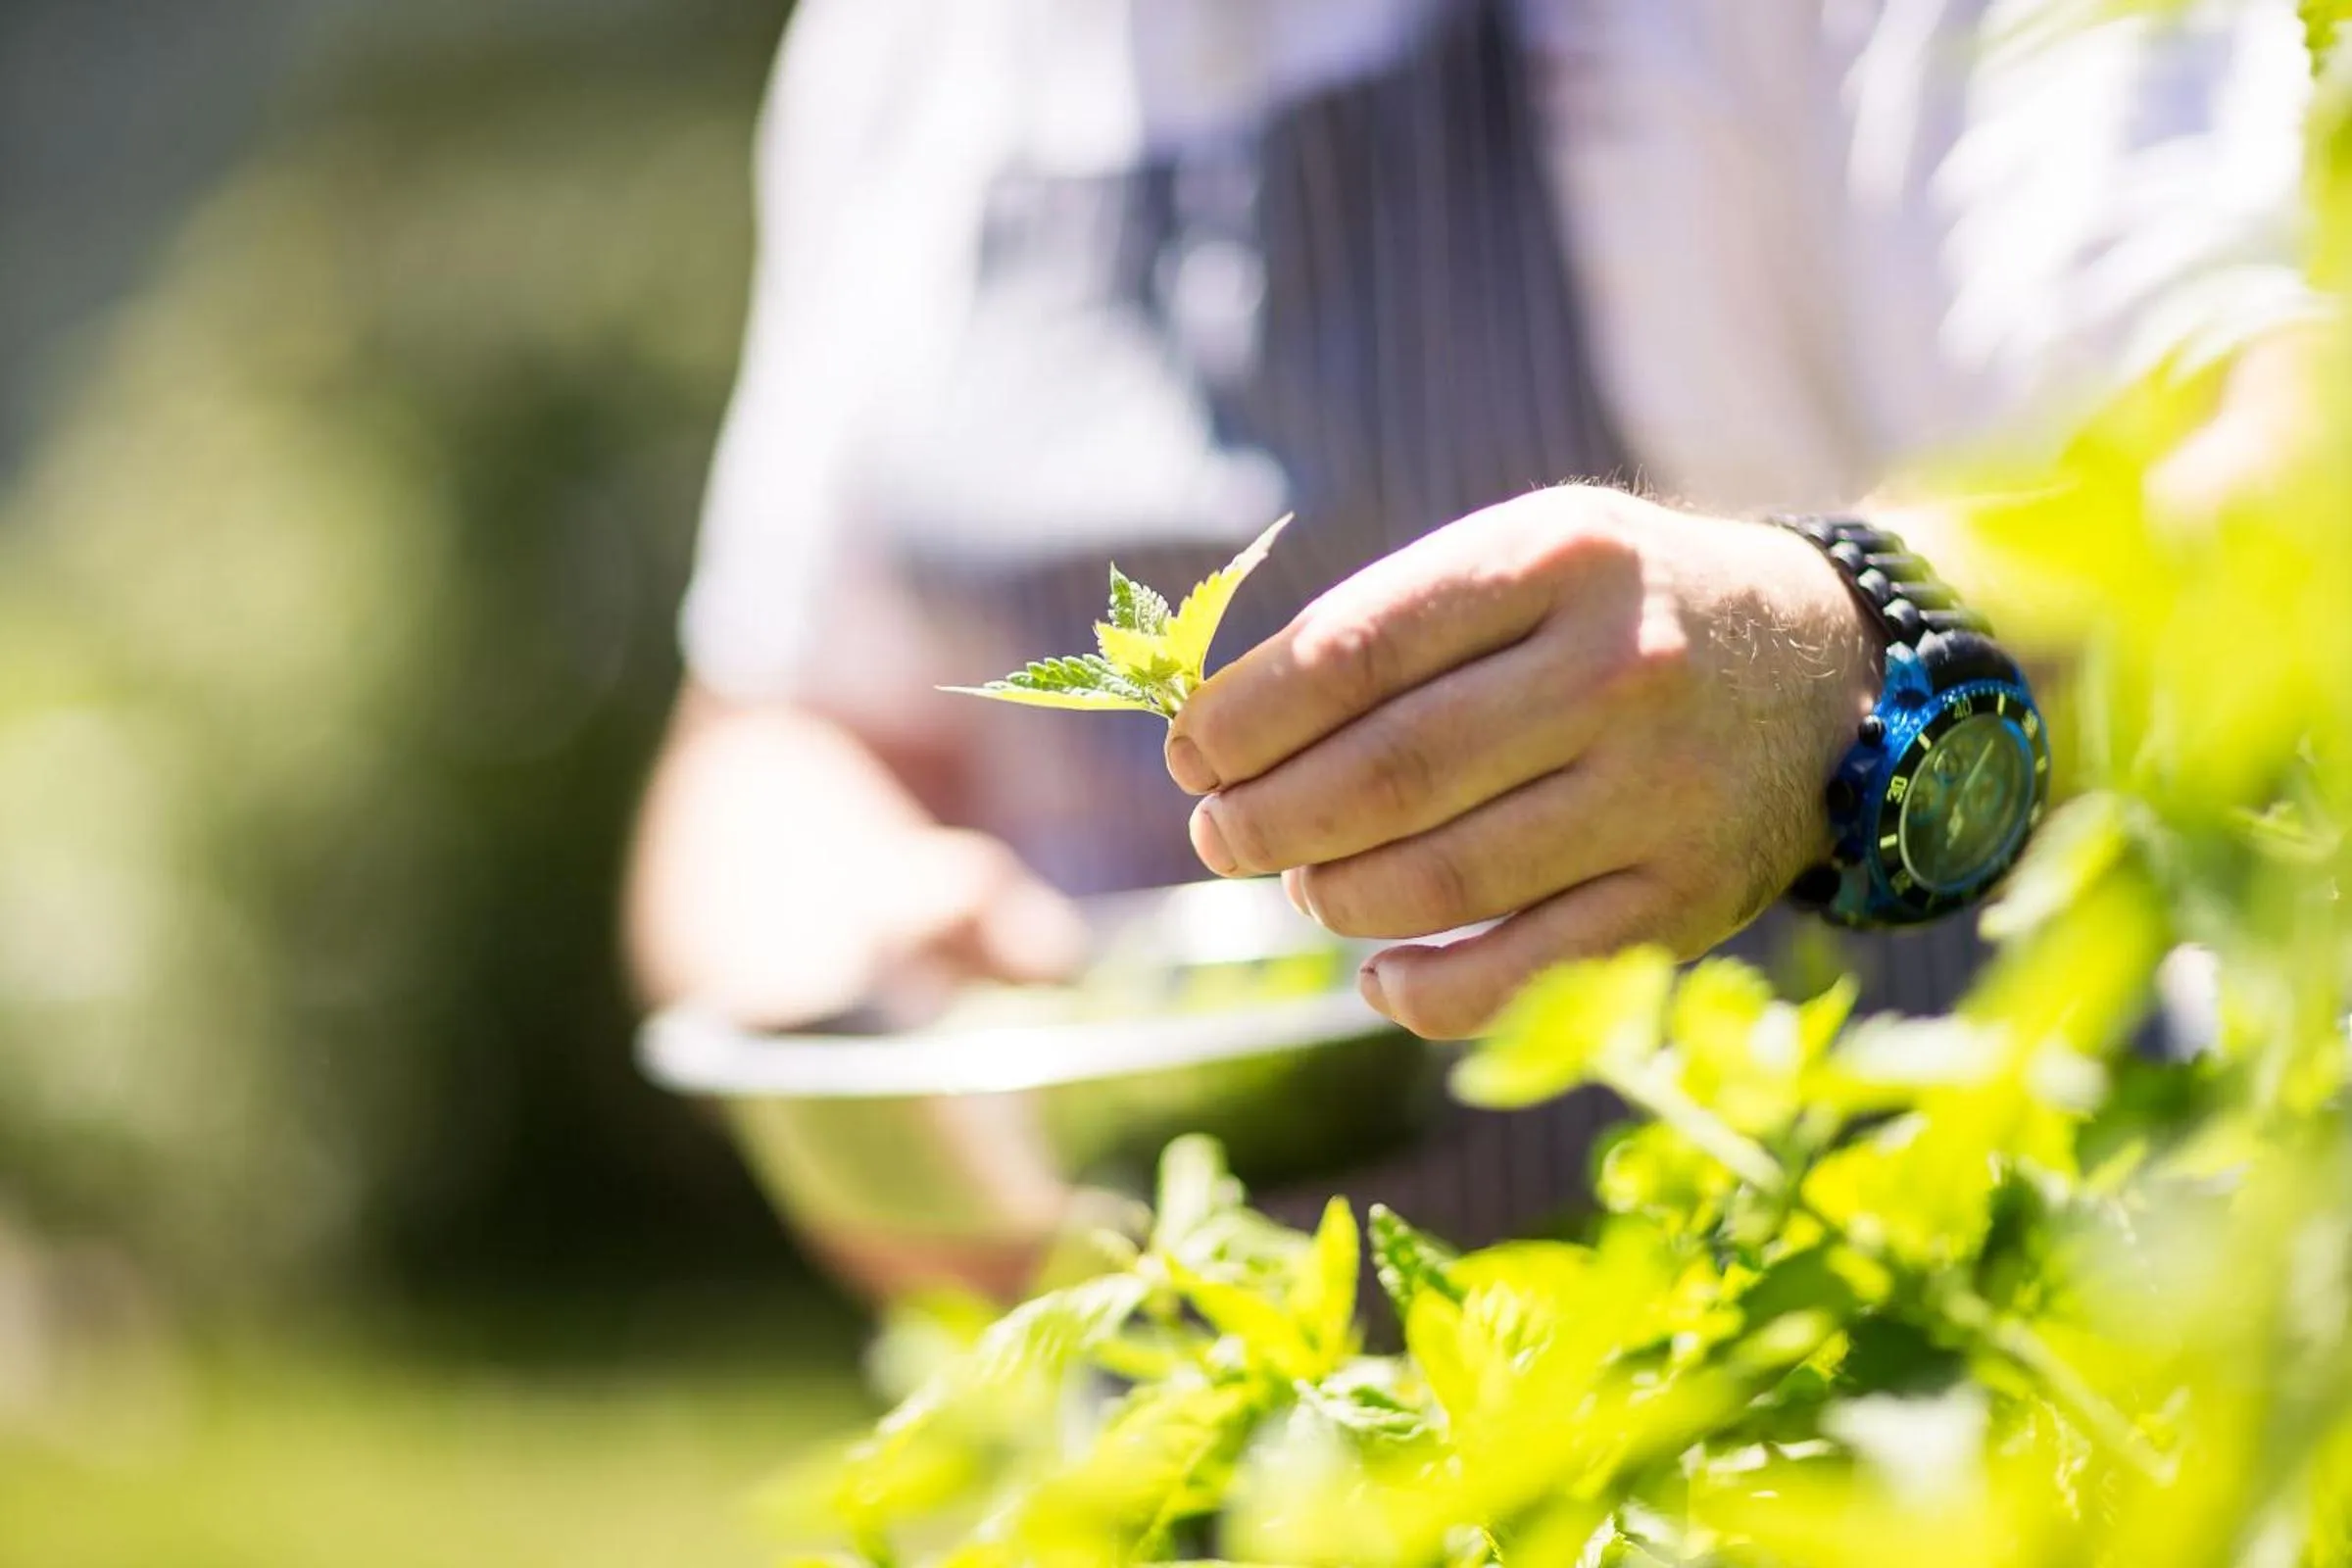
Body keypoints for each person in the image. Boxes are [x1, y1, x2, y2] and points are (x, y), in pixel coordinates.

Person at [627, 0, 2317, 1272]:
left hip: (1848, 1361)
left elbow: (2279, 478)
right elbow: (768, 732)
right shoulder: (910, 47)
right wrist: (861, 961)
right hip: (1197, 1440)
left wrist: (1837, 649)